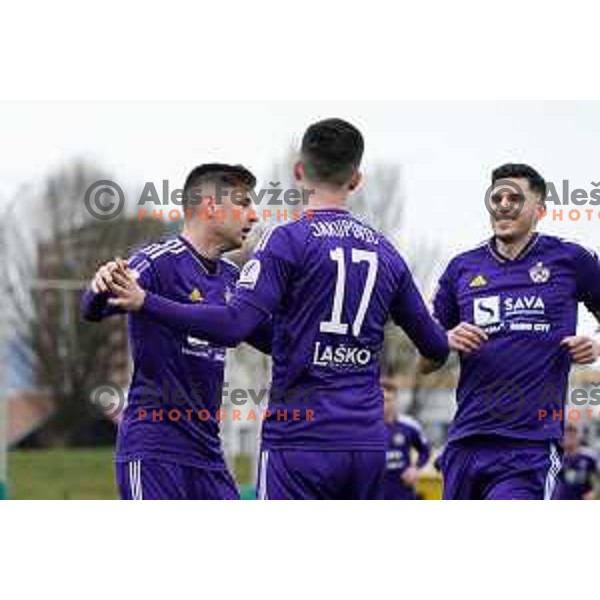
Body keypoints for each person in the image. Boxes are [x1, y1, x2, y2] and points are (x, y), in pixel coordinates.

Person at [105, 118, 450, 499]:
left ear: (299, 173)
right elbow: (435, 346)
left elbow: (234, 324)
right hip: (366, 445)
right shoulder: (387, 253)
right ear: (356, 179)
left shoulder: (286, 241)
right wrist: (430, 360)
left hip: (298, 439)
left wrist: (146, 302)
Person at [81, 163, 270, 500]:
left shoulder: (232, 277)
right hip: (155, 449)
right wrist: (99, 289)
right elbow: (93, 309)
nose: (253, 216)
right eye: (244, 204)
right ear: (211, 207)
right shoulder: (157, 261)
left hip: (208, 455)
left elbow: (271, 339)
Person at [420, 163, 600, 500]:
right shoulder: (462, 268)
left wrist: (595, 346)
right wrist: (443, 340)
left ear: (540, 210)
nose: (503, 204)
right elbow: (425, 362)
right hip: (464, 444)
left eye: (514, 197)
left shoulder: (570, 259)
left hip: (527, 449)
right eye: (496, 197)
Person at [382, 377, 431, 500]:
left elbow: (425, 450)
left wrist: (415, 469)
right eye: (380, 400)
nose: (384, 404)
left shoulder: (409, 425)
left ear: (395, 400)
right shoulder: (365, 427)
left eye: (388, 400)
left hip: (402, 494)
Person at [554, 422, 599, 500]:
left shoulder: (589, 457)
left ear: (578, 437)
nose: (570, 439)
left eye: (572, 435)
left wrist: (594, 492)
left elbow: (597, 477)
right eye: (567, 435)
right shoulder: (556, 458)